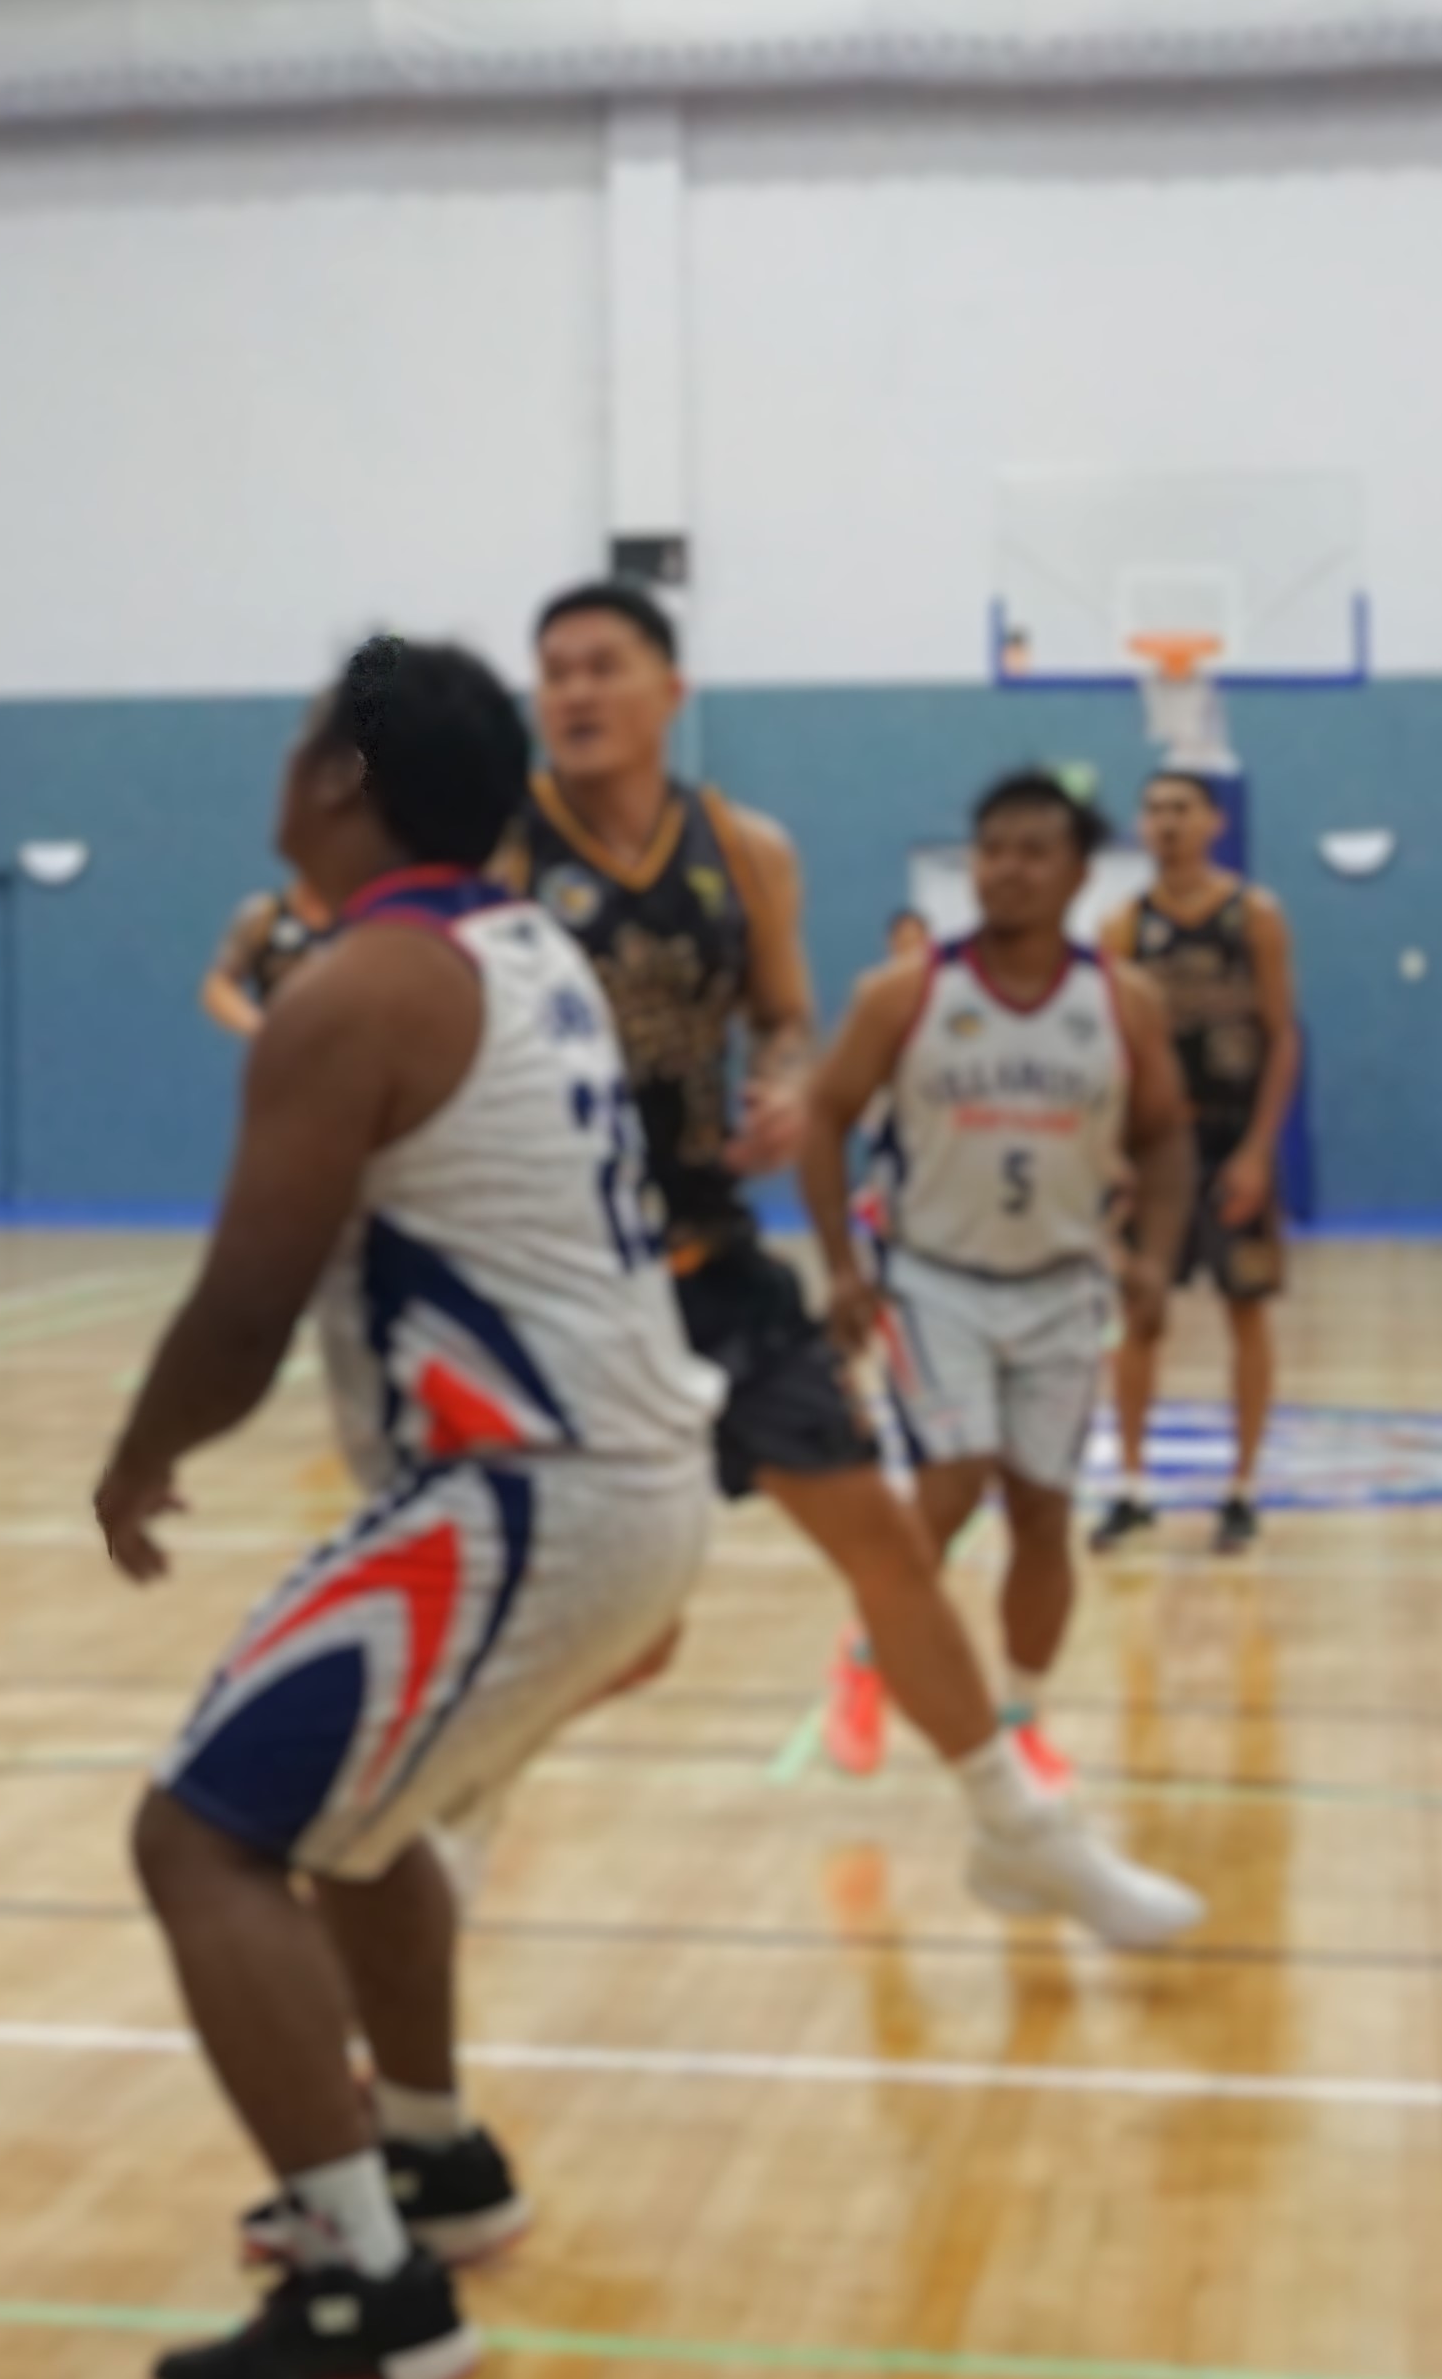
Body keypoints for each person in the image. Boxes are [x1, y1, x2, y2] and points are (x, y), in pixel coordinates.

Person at [96, 639, 722, 2379]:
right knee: (355, 1837)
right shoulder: (531, 950)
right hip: (621, 1483)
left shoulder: (358, 990)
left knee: (199, 1842)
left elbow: (246, 1301)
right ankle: (435, 2161)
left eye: (300, 746)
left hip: (529, 1492)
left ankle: (374, 2289)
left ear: (340, 783)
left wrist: (139, 1455)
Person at [506, 584, 1198, 1944]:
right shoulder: (501, 842)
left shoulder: (744, 848)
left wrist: (776, 1083)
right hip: (563, 1267)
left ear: (668, 690)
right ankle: (432, 1831)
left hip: (709, 1249)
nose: (574, 693)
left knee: (883, 1543)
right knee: (604, 1617)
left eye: (602, 666)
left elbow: (780, 1020)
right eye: (553, 674)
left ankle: (1020, 1831)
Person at [801, 772, 1198, 1788]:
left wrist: (1152, 1255)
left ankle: (1021, 1712)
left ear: (1075, 873)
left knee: (1042, 1510)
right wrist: (841, 1268)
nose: (1007, 868)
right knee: (952, 1480)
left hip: (1064, 1284)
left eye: (1031, 850)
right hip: (935, 1277)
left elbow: (1162, 1140)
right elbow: (821, 1115)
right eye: (991, 848)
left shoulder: (1120, 1002)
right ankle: (864, 1656)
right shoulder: (906, 993)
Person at [1092, 770, 1301, 1555]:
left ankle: (1242, 1488)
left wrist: (1258, 1151)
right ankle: (1132, 1486)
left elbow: (1283, 1036)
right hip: (1157, 1149)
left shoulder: (1255, 916)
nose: (1165, 822)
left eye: (1181, 808)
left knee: (1245, 1309)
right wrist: (1113, 1154)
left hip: (1233, 1139)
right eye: (1152, 810)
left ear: (1213, 821)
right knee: (1139, 1315)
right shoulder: (1122, 926)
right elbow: (1108, 1049)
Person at [198, 877, 335, 1039]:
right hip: (284, 1054)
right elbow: (218, 986)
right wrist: (261, 1028)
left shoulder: (361, 922)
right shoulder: (265, 914)